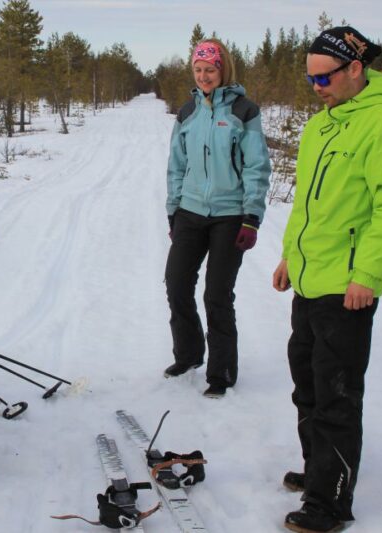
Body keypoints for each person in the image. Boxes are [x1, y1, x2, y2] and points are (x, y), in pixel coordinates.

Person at [272, 26, 382, 532]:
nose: (316, 88)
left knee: (337, 394)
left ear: (355, 68)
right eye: (310, 80)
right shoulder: (322, 125)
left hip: (349, 288)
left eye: (324, 78)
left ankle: (330, 502)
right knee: (307, 385)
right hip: (310, 279)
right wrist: (289, 258)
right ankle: (320, 471)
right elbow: (307, 207)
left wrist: (368, 274)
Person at [164, 39, 271, 397]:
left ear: (223, 70)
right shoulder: (187, 112)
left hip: (230, 216)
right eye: (198, 70)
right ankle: (189, 354)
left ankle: (221, 372)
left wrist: (251, 217)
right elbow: (176, 166)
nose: (204, 76)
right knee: (177, 284)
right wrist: (173, 210)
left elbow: (257, 166)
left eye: (210, 69)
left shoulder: (244, 111)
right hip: (191, 212)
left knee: (217, 295)